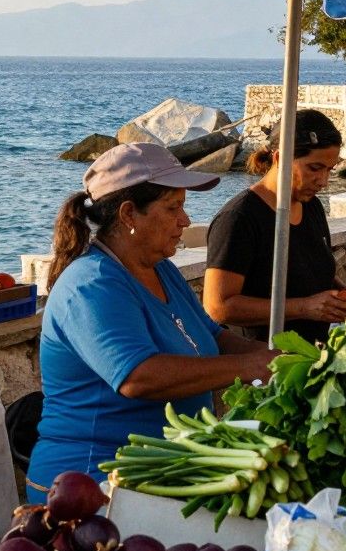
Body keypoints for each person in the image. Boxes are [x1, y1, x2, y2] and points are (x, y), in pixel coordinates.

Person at [29, 144, 280, 497]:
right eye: (173, 207)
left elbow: (213, 336)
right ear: (129, 214)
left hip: (164, 470)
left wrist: (280, 357)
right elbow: (138, 376)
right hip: (92, 484)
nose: (185, 220)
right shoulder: (91, 284)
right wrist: (253, 366)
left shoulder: (161, 268)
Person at [205, 111, 346, 344]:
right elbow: (218, 306)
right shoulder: (239, 219)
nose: (323, 181)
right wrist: (303, 308)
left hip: (312, 356)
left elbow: (313, 275)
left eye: (329, 169)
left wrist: (344, 298)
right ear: (279, 158)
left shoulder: (311, 206)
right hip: (264, 363)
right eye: (314, 168)